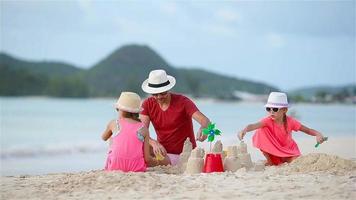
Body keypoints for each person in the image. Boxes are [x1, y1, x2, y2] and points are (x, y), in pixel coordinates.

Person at [140, 69, 210, 166]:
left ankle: (158, 162)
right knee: (139, 145)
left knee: (152, 158)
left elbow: (205, 120)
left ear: (168, 89)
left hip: (184, 154)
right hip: (162, 151)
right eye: (155, 94)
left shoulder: (183, 101)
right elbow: (141, 131)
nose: (159, 97)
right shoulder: (147, 104)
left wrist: (204, 128)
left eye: (163, 93)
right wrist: (153, 143)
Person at [237, 92, 326, 166]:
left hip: (289, 151)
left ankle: (279, 161)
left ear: (284, 110)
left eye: (275, 109)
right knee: (261, 130)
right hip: (274, 152)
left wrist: (318, 134)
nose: (271, 111)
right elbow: (253, 126)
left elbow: (308, 130)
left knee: (296, 161)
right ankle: (270, 161)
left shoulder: (291, 122)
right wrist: (244, 130)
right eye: (268, 108)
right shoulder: (267, 121)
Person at [101, 92, 165, 172]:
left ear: (120, 110)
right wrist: (157, 162)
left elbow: (103, 138)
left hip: (115, 166)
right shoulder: (143, 128)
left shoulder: (114, 123)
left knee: (113, 138)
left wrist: (112, 133)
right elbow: (147, 158)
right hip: (136, 167)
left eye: (117, 109)